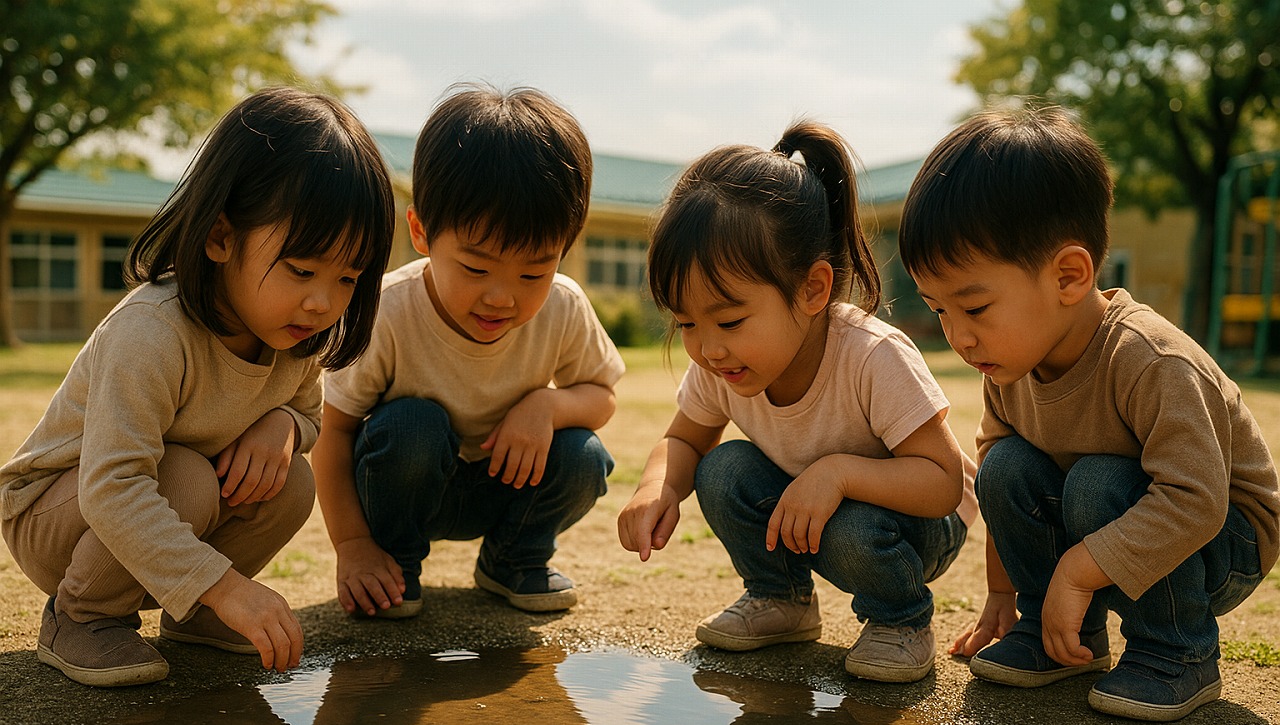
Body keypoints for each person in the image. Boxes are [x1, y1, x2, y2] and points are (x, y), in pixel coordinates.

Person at [0, 86, 396, 687]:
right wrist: (229, 587)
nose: (323, 302)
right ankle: (82, 615)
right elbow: (112, 487)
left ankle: (195, 620)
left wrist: (283, 426)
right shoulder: (153, 332)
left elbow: (309, 416)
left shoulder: (293, 336)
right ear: (220, 237)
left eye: (347, 278)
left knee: (290, 480)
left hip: (166, 499)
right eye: (301, 270)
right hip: (57, 516)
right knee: (182, 476)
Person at [899, 106, 1280, 721]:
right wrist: (1006, 592)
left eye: (975, 307)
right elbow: (1003, 485)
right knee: (1005, 469)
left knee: (1100, 481)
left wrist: (1076, 572)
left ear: (1069, 276)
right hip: (1112, 522)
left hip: (1221, 542)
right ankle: (1060, 639)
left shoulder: (1152, 361)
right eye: (939, 311)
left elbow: (1195, 499)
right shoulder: (1010, 365)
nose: (958, 337)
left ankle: (1175, 651)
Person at [616, 121, 976, 683]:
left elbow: (942, 483)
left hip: (917, 522)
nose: (708, 347)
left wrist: (838, 474)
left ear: (812, 289)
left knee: (850, 528)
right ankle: (781, 599)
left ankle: (901, 620)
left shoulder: (871, 357)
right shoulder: (722, 362)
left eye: (730, 319)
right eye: (686, 322)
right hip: (818, 509)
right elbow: (684, 439)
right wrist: (654, 487)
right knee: (723, 469)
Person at [314, 84, 624, 620]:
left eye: (534, 271)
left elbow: (602, 396)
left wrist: (547, 406)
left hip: (504, 485)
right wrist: (353, 547)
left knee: (583, 455)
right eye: (476, 268)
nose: (502, 297)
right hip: (406, 485)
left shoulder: (564, 307)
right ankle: (393, 564)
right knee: (411, 425)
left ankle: (513, 559)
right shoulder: (388, 311)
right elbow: (333, 433)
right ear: (421, 231)